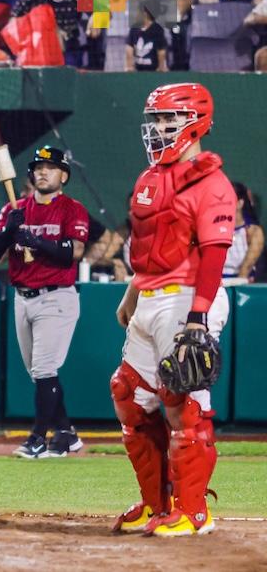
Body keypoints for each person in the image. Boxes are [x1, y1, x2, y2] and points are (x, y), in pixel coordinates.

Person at [111, 82, 235, 536]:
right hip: (150, 297)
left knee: (184, 405)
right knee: (128, 393)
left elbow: (215, 255)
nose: (161, 128)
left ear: (196, 122)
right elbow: (153, 250)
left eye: (171, 119)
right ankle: (154, 503)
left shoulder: (212, 183)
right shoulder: (152, 177)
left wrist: (198, 317)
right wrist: (132, 293)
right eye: (157, 120)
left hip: (188, 300)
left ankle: (193, 510)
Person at [0, 146, 89, 459]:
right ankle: (67, 434)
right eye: (38, 167)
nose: (43, 171)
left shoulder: (72, 208)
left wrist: (37, 241)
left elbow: (76, 251)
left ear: (63, 175)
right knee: (40, 373)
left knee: (44, 369)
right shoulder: (15, 209)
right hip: (23, 297)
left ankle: (37, 438)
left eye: (51, 167)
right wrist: (8, 232)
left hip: (56, 296)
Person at [224, 182, 263, 282]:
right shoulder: (214, 229)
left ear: (240, 203)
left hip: (241, 284)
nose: (223, 203)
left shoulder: (254, 232)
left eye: (227, 199)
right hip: (216, 283)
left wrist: (235, 284)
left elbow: (246, 269)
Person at [126, 0, 168, 71]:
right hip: (138, 70)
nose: (135, 13)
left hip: (153, 70)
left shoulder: (158, 29)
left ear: (145, 14)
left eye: (138, 11)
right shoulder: (134, 28)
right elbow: (129, 48)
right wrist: (129, 66)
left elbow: (161, 52)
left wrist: (161, 68)